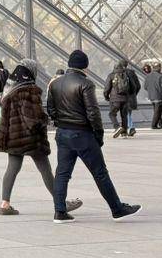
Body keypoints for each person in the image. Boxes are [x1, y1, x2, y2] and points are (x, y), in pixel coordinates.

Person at [48, 50, 143, 225]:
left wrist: (61, 123)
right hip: (83, 134)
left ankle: (60, 212)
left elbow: (51, 110)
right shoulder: (86, 84)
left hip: (63, 134)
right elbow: (93, 112)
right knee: (100, 173)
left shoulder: (55, 83)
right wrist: (98, 136)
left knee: (62, 174)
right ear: (85, 66)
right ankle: (117, 209)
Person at [0, 64, 81, 217]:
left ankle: (5, 203)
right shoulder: (29, 90)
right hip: (31, 138)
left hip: (14, 138)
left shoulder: (9, 91)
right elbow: (32, 118)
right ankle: (61, 203)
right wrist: (45, 120)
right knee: (45, 170)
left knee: (12, 169)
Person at [103, 60, 140, 139]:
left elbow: (107, 88)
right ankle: (124, 133)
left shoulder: (111, 75)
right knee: (124, 116)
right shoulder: (127, 75)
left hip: (114, 99)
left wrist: (106, 96)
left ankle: (117, 127)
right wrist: (129, 95)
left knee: (112, 114)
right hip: (125, 99)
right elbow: (134, 87)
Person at [142, 63, 162, 129]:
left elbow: (145, 87)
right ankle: (154, 125)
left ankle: (160, 123)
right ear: (159, 68)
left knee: (156, 110)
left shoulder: (148, 76)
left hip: (151, 95)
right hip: (159, 95)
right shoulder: (160, 76)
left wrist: (150, 91)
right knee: (158, 111)